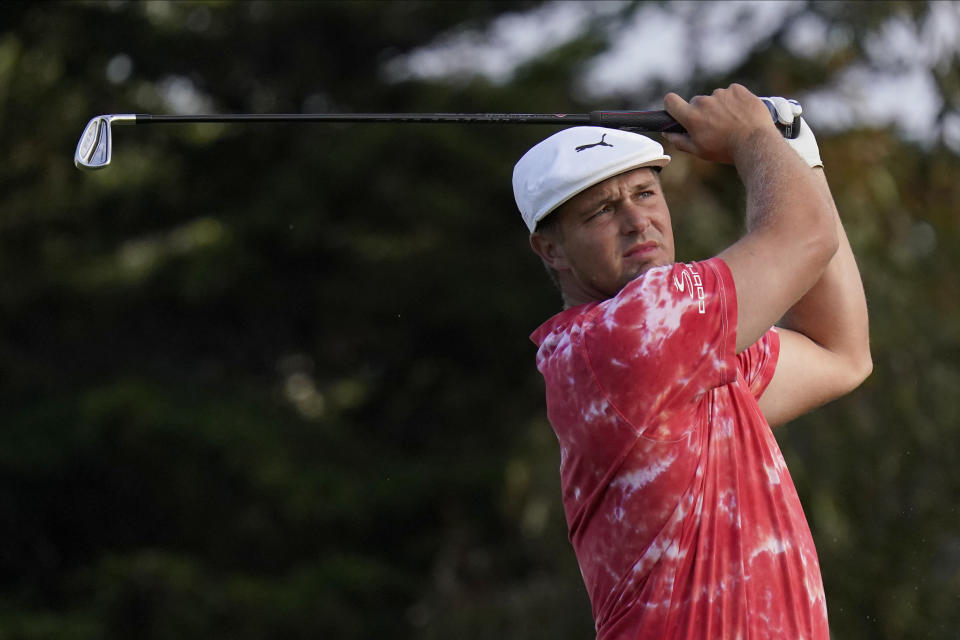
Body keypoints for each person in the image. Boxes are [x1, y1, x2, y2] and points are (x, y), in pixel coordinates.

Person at [513, 84, 871, 639]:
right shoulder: (625, 336)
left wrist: (797, 152)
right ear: (551, 249)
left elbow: (840, 353)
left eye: (645, 193)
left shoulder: (686, 349)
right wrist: (754, 136)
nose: (637, 221)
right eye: (603, 210)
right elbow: (805, 237)